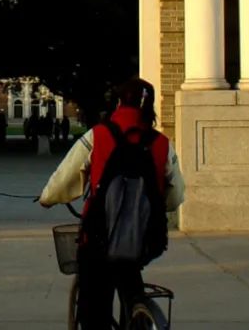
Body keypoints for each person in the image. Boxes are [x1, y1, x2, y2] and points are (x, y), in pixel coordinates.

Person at [39, 78, 184, 330]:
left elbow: (64, 178)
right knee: (130, 272)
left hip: (99, 235)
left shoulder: (97, 135)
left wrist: (48, 198)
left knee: (94, 304)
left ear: (118, 103)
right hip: (144, 237)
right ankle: (137, 308)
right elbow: (176, 194)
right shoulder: (162, 143)